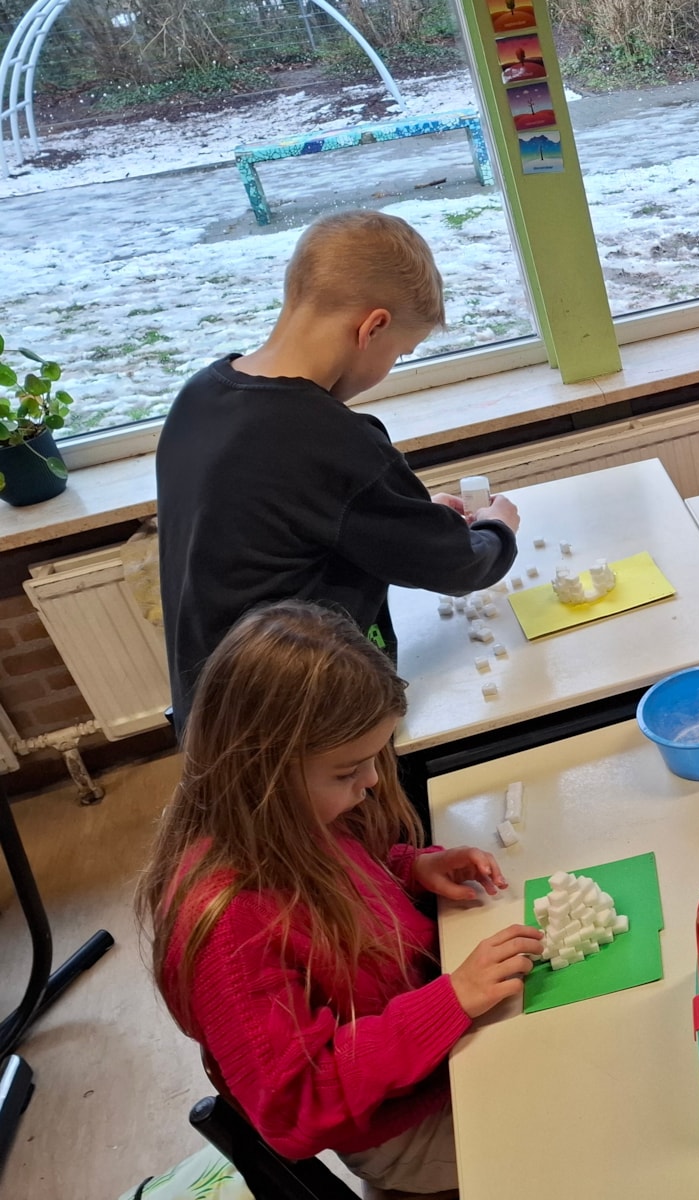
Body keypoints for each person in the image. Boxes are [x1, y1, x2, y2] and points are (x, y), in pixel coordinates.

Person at [138, 602, 543, 1195]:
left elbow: (352, 876)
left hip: (435, 1059)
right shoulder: (229, 931)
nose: (372, 781)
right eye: (348, 770)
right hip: (402, 1130)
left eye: (375, 758)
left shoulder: (295, 817)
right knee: (579, 1117)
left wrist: (411, 868)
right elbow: (296, 1108)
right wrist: (450, 1000)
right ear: (263, 770)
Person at [157, 210, 520, 728]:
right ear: (373, 327)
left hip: (214, 705)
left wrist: (411, 517)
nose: (390, 367)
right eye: (400, 352)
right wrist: (497, 531)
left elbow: (286, 526)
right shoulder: (326, 438)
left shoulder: (201, 395)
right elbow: (456, 565)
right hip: (302, 717)